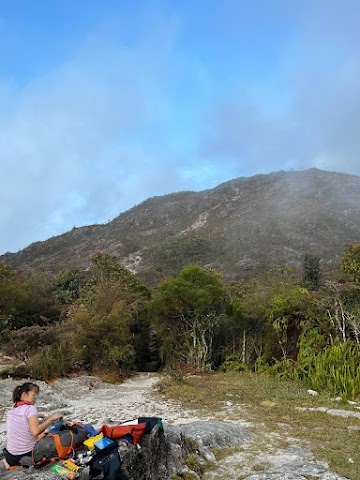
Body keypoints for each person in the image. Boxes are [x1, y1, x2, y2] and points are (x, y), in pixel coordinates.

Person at [3, 381, 62, 469]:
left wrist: (39, 416)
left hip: (11, 456)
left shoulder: (11, 411)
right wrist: (51, 419)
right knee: (56, 429)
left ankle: (8, 463)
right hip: (27, 455)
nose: (35, 398)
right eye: (33, 394)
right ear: (24, 394)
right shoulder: (30, 408)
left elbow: (22, 419)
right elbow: (35, 432)